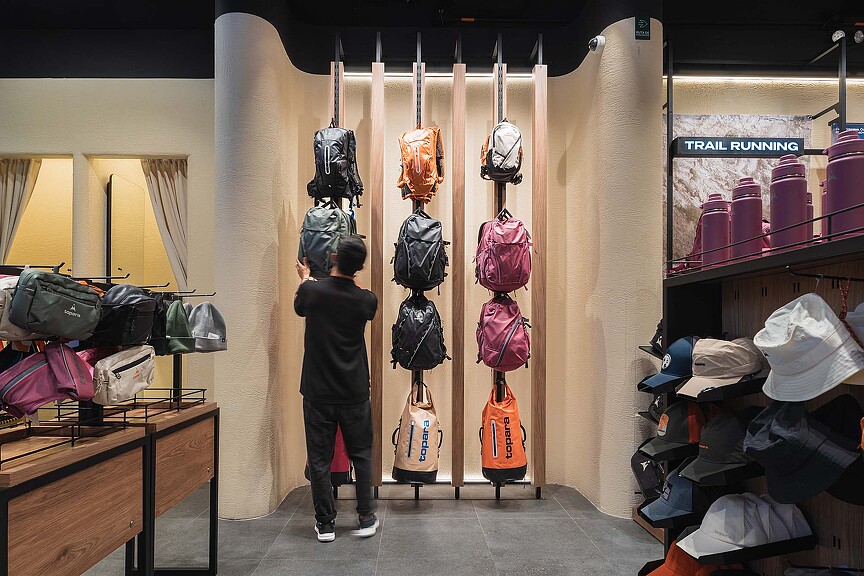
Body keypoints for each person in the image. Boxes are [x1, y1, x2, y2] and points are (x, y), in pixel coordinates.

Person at [294, 236, 379, 543]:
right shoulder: (366, 300)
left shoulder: (311, 292)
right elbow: (360, 301)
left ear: (333, 258)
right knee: (361, 455)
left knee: (319, 458)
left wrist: (306, 278)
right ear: (360, 268)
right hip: (354, 390)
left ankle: (325, 524)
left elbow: (300, 306)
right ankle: (366, 517)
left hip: (317, 391)